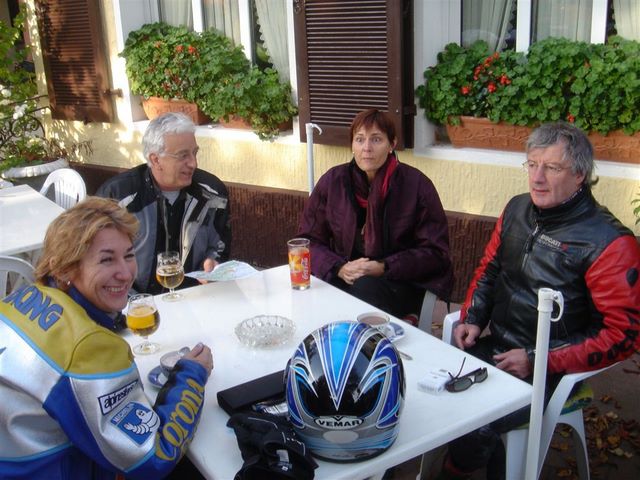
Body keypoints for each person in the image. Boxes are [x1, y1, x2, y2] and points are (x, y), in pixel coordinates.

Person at [438, 122, 640, 480]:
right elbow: (490, 269)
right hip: (495, 347)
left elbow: (622, 336)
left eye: (552, 167)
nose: (537, 177)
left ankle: (456, 470)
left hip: (551, 370)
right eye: (532, 164)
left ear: (579, 175)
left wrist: (538, 359)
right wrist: (473, 316)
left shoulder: (609, 242)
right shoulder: (517, 208)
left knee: (476, 423)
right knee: (430, 391)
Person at [0, 197, 213, 479]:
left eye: (129, 255)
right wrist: (192, 376)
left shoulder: (24, 296)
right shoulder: (89, 347)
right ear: (64, 268)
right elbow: (153, 457)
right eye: (106, 259)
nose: (125, 274)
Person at [297, 108, 453, 321]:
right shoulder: (333, 182)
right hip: (344, 275)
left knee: (364, 289)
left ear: (392, 144)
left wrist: (383, 267)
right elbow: (307, 241)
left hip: (398, 282)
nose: (367, 148)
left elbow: (436, 254)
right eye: (360, 139)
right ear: (352, 145)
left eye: (376, 139)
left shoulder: (416, 186)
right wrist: (339, 267)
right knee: (308, 295)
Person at [97, 112, 231, 294]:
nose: (193, 163)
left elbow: (220, 247)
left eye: (194, 153)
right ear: (156, 159)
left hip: (194, 296)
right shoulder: (117, 196)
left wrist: (213, 263)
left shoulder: (212, 193)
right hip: (134, 301)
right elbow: (99, 259)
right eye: (183, 155)